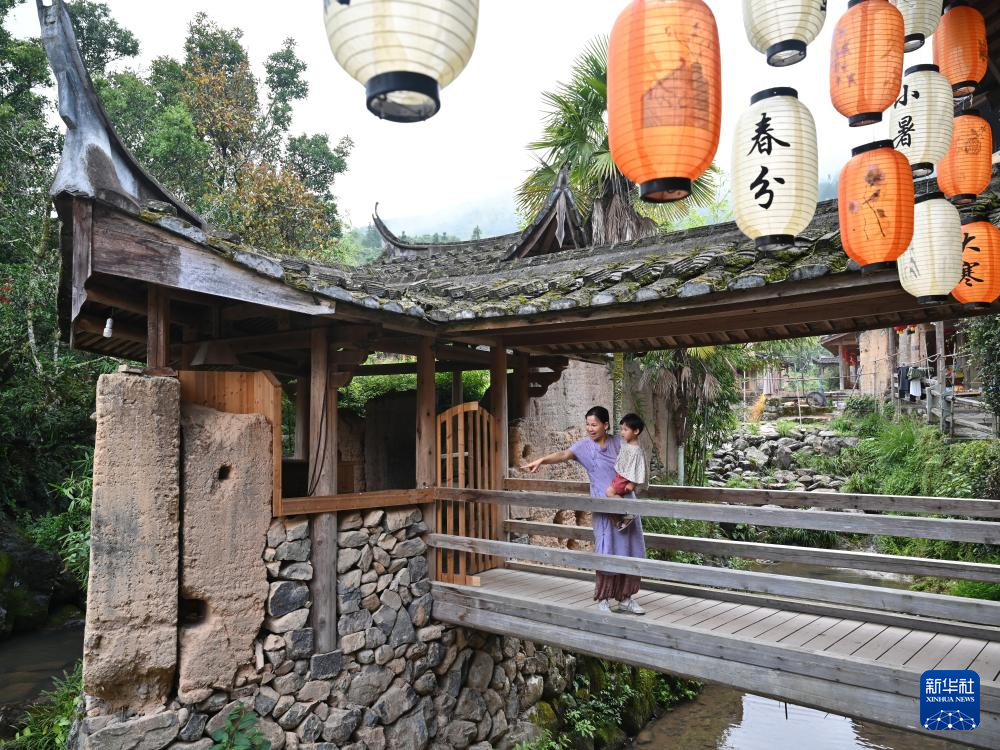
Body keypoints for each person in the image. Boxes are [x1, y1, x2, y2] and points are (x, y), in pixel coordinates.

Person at [520, 406, 646, 615]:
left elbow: (635, 457)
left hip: (626, 505)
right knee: (606, 549)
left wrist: (634, 483)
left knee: (629, 550)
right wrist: (542, 460)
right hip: (604, 508)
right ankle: (604, 598)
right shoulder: (584, 447)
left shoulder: (619, 442)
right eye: (587, 424)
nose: (590, 428)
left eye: (594, 424)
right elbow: (564, 454)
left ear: (605, 425)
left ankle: (626, 598)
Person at [606, 413, 646, 532]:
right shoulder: (627, 444)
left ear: (636, 431)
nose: (622, 432)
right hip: (620, 476)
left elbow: (639, 467)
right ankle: (619, 518)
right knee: (612, 500)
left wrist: (632, 483)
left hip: (624, 478)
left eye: (625, 429)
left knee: (609, 492)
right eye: (621, 429)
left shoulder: (636, 450)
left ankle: (628, 512)